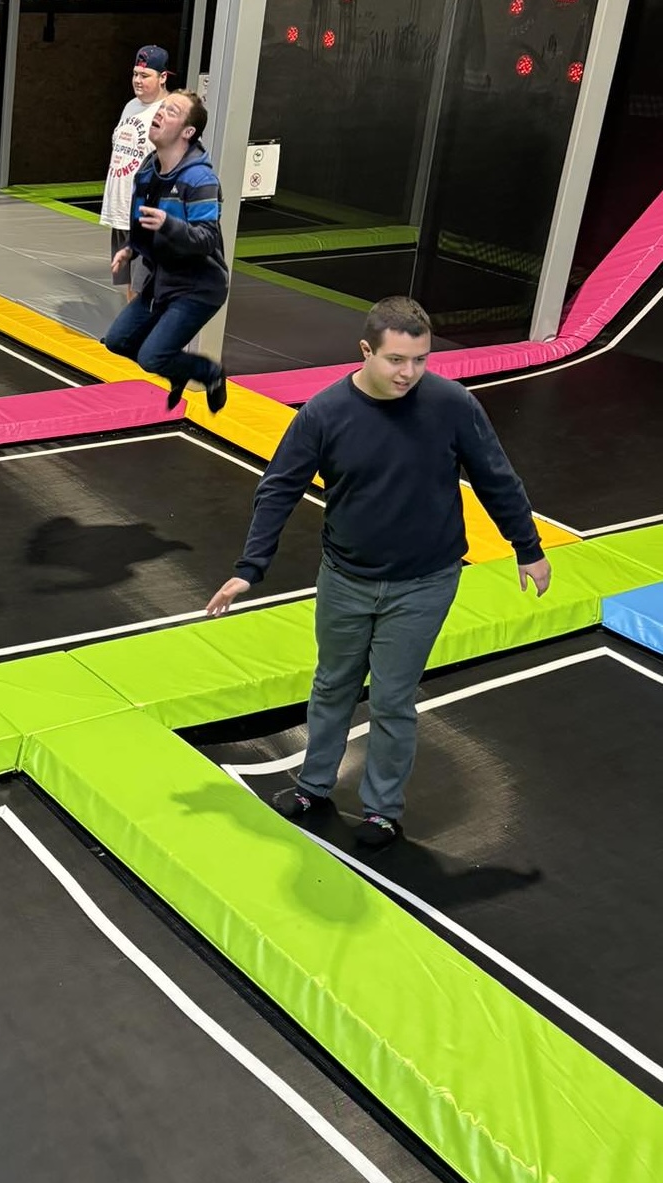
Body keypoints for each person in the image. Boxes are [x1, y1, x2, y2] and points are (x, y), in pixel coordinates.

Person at [206, 296, 552, 848]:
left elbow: (497, 478)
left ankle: (383, 810)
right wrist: (251, 567)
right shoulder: (324, 413)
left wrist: (527, 547)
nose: (408, 373)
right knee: (332, 684)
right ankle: (313, 785)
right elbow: (279, 488)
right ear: (365, 350)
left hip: (425, 582)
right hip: (346, 578)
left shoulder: (452, 404)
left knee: (393, 698)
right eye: (396, 360)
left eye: (420, 360)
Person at [103, 89, 229, 414]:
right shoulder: (149, 169)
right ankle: (177, 368)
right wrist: (131, 249)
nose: (160, 113)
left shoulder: (200, 179)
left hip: (199, 287)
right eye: (162, 108)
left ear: (188, 132)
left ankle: (210, 373)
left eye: (172, 112)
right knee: (117, 341)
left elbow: (206, 238)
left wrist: (169, 224)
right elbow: (142, 221)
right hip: (163, 280)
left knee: (152, 357)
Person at [100, 44, 170, 301]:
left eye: (145, 75)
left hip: (143, 213)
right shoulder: (131, 106)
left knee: (144, 287)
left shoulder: (168, 112)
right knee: (129, 284)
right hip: (121, 210)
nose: (138, 81)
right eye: (135, 74)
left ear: (162, 77)